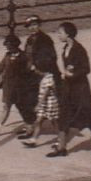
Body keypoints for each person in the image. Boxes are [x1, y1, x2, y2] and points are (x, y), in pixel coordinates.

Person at [47, 22, 91, 156]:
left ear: (68, 34)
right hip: (68, 88)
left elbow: (86, 68)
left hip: (80, 89)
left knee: (87, 117)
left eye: (60, 33)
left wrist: (72, 74)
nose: (58, 35)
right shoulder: (65, 49)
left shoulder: (79, 49)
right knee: (63, 116)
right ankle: (61, 148)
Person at [0, 22, 37, 138]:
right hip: (9, 87)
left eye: (9, 46)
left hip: (19, 88)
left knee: (21, 107)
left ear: (14, 45)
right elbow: (1, 66)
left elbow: (27, 71)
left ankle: (28, 126)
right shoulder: (8, 55)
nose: (7, 47)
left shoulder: (22, 57)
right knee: (8, 107)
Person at [20, 18, 62, 148]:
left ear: (39, 25)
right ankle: (31, 128)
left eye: (35, 25)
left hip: (43, 74)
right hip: (32, 75)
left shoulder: (45, 39)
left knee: (40, 104)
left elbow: (51, 57)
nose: (32, 28)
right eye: (30, 26)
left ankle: (34, 131)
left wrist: (38, 66)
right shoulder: (30, 39)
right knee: (27, 100)